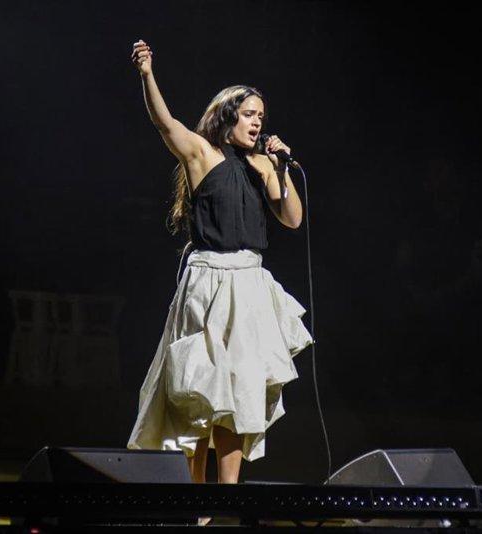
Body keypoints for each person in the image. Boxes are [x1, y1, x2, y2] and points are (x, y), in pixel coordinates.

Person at [126, 39, 313, 486]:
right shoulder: (203, 155)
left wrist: (280, 168)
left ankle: (227, 495)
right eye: (250, 114)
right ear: (228, 116)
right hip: (209, 280)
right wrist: (147, 74)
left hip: (249, 282)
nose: (257, 123)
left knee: (239, 390)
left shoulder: (264, 165)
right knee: (202, 391)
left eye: (261, 117)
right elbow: (165, 123)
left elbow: (291, 219)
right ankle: (196, 497)